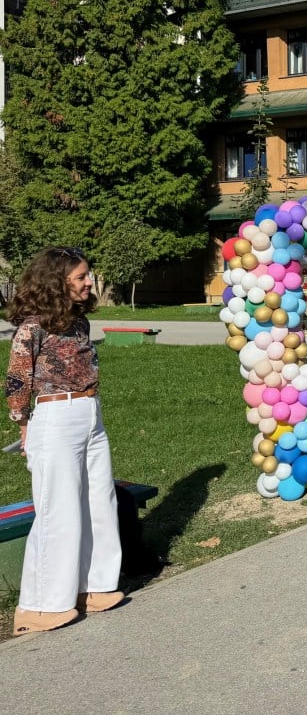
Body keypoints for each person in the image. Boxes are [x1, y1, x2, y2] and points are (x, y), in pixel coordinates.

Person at [7, 247, 123, 636]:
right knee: (57, 509)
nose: (89, 282)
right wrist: (22, 422)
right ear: (57, 282)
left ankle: (93, 586)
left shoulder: (78, 323)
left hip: (90, 413)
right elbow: (18, 379)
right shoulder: (32, 328)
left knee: (99, 501)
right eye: (81, 277)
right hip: (55, 417)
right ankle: (39, 606)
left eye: (88, 275)